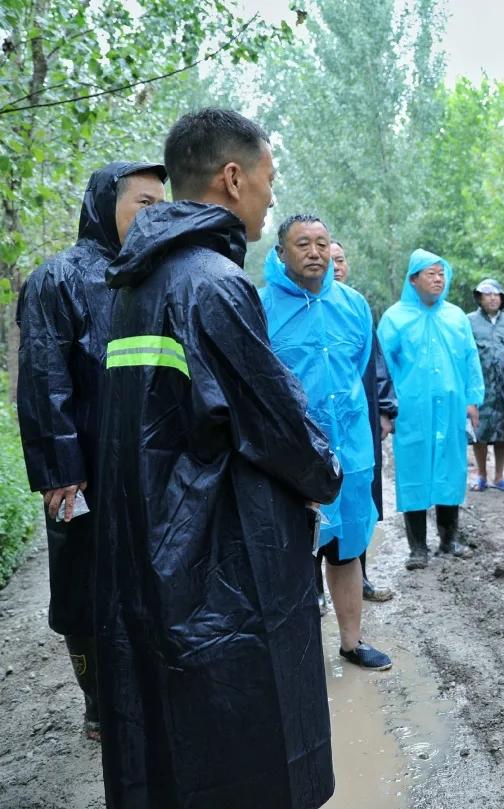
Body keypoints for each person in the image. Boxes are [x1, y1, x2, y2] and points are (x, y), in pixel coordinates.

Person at [95, 108, 341, 809]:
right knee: (251, 743)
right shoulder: (213, 283)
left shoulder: (135, 281)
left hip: (151, 547)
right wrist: (325, 474)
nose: (270, 195)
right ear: (233, 178)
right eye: (268, 179)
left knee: (177, 745)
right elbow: (276, 426)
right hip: (219, 552)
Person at [16, 161, 166, 741]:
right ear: (106, 205)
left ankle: (148, 688)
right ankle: (99, 702)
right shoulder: (57, 278)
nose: (155, 216)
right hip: (81, 471)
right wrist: (60, 470)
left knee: (150, 578)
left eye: (162, 206)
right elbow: (43, 378)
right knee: (82, 587)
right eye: (144, 204)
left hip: (147, 463)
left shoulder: (153, 275)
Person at [261, 216, 392, 670]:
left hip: (349, 450)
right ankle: (295, 658)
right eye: (303, 244)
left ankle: (352, 642)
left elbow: (359, 369)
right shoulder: (260, 307)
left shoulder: (354, 305)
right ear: (281, 252)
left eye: (322, 243)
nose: (315, 252)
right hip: (289, 457)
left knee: (346, 548)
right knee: (290, 556)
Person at [378, 249, 484, 569]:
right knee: (414, 470)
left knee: (450, 469)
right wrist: (386, 408)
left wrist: (472, 399)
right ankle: (418, 548)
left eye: (442, 274)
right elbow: (382, 367)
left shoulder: (456, 316)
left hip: (451, 407)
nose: (438, 279)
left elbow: (470, 358)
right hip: (411, 409)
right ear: (413, 279)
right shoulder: (395, 318)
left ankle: (449, 540)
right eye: (431, 274)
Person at [329, 239, 397, 602]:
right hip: (322, 426)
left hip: (360, 422)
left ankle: (362, 578)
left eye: (341, 260)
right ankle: (315, 590)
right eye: (330, 260)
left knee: (360, 500)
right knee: (320, 503)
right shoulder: (305, 309)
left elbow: (377, 364)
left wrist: (385, 410)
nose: (336, 266)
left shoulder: (356, 308)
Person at [468, 278, 504, 492]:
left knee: (503, 430)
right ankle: (481, 475)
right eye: (487, 294)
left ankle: (499, 477)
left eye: (496, 294)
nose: (492, 298)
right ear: (479, 298)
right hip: (479, 387)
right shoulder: (469, 321)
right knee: (479, 430)